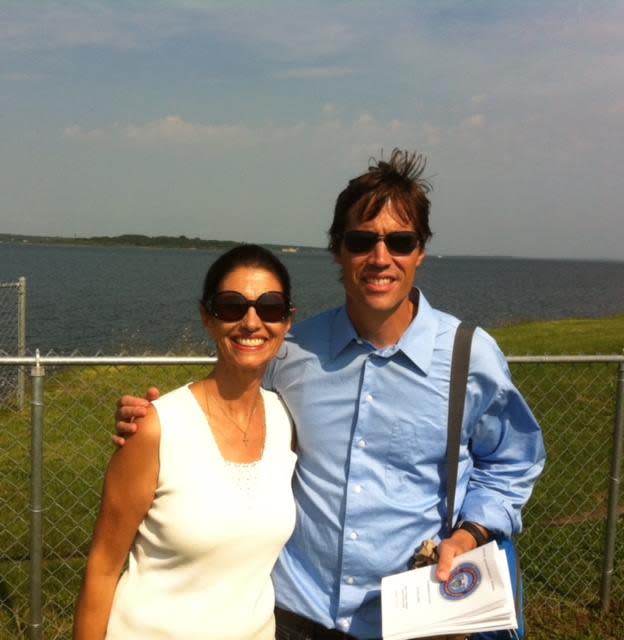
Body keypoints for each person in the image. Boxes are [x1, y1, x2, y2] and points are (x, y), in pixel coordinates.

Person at [115, 149, 546, 640]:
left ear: (420, 252)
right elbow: (233, 414)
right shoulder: (292, 352)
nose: (380, 259)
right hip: (295, 614)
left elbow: (511, 463)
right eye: (362, 241)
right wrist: (160, 422)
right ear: (338, 250)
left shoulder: (470, 357)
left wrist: (470, 533)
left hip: (415, 620)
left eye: (399, 242)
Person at [74, 245, 297, 639]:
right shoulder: (157, 428)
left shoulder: (285, 421)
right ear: (207, 318)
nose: (251, 322)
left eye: (270, 307)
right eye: (231, 306)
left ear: (287, 322)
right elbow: (103, 567)